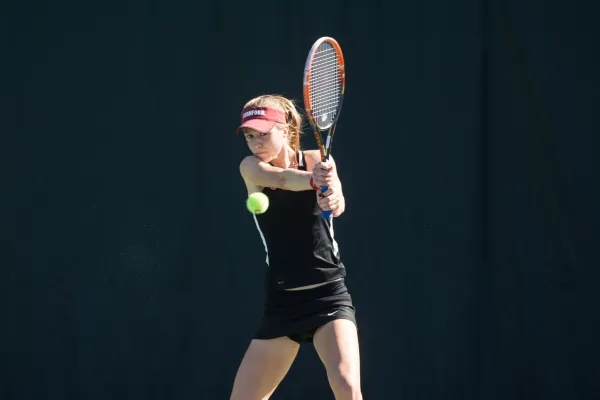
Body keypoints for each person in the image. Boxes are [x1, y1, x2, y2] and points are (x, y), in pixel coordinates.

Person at [230, 94, 362, 400]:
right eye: (249, 136)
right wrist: (314, 181)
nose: (255, 142)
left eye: (263, 133)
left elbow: (336, 200)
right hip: (282, 304)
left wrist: (334, 196)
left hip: (328, 297)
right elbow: (284, 179)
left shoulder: (320, 160)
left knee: (347, 386)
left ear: (286, 127)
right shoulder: (250, 167)